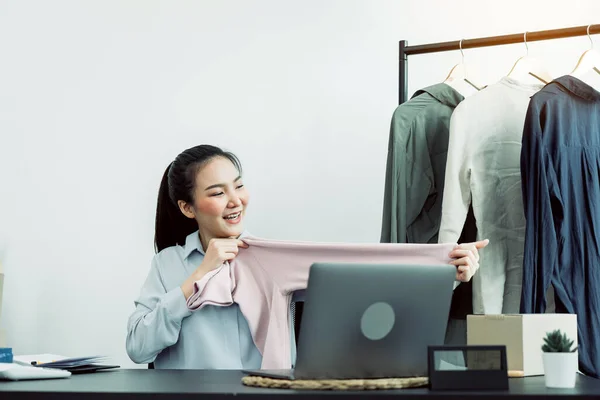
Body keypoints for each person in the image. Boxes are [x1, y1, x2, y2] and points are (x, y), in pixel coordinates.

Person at [126, 144, 489, 369]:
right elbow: (138, 348)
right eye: (218, 192)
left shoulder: (271, 259)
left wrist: (444, 268)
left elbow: (364, 277)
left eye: (238, 185)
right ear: (187, 208)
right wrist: (197, 279)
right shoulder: (167, 265)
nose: (235, 200)